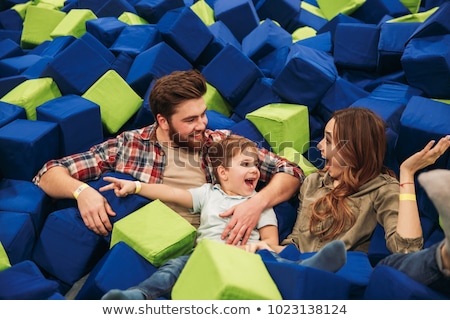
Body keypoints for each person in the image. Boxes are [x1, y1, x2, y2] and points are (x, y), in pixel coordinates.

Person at [32, 69, 303, 244]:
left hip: (227, 242)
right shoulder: (129, 145)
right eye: (191, 119)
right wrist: (82, 192)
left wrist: (256, 203)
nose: (202, 124)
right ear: (163, 121)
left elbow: (290, 171)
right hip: (161, 248)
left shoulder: (221, 142)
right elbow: (48, 173)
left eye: (203, 113)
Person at [99, 136, 346, 300]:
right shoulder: (208, 194)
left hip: (245, 259)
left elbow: (271, 242)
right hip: (205, 256)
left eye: (256, 166)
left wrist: (260, 246)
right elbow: (174, 193)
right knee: (173, 268)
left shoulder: (260, 203)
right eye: (246, 164)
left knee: (271, 258)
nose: (255, 170)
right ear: (223, 173)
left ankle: (309, 267)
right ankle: (137, 296)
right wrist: (137, 187)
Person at [281, 107, 450, 254]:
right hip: (296, 269)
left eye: (329, 141)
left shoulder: (382, 189)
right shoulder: (313, 182)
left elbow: (406, 249)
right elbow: (295, 242)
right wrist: (268, 248)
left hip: (334, 277)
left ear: (353, 150)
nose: (319, 146)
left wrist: (407, 173)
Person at [378, 168, 450, 296]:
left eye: (331, 146)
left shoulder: (381, 186)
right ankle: (444, 256)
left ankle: (445, 256)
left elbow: (406, 248)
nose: (328, 155)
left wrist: (407, 173)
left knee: (386, 267)